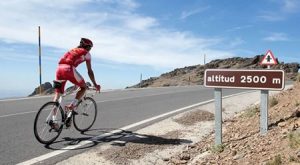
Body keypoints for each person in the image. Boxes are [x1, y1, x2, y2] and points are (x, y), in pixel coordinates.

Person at [53, 38, 101, 112]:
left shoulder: (72, 50)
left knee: (58, 95)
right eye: (90, 47)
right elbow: (90, 71)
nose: (90, 49)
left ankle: (53, 119)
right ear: (87, 46)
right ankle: (72, 106)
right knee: (83, 87)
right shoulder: (86, 53)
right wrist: (95, 84)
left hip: (59, 69)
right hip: (69, 69)